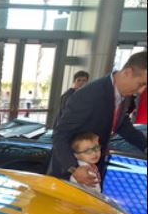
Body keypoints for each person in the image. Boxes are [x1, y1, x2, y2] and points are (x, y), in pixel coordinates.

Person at [49, 51, 147, 188]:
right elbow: (60, 135)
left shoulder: (124, 94)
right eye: (141, 84)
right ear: (128, 72)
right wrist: (73, 169)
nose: (142, 91)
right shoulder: (89, 94)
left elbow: (121, 123)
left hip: (92, 169)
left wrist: (144, 145)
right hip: (70, 176)